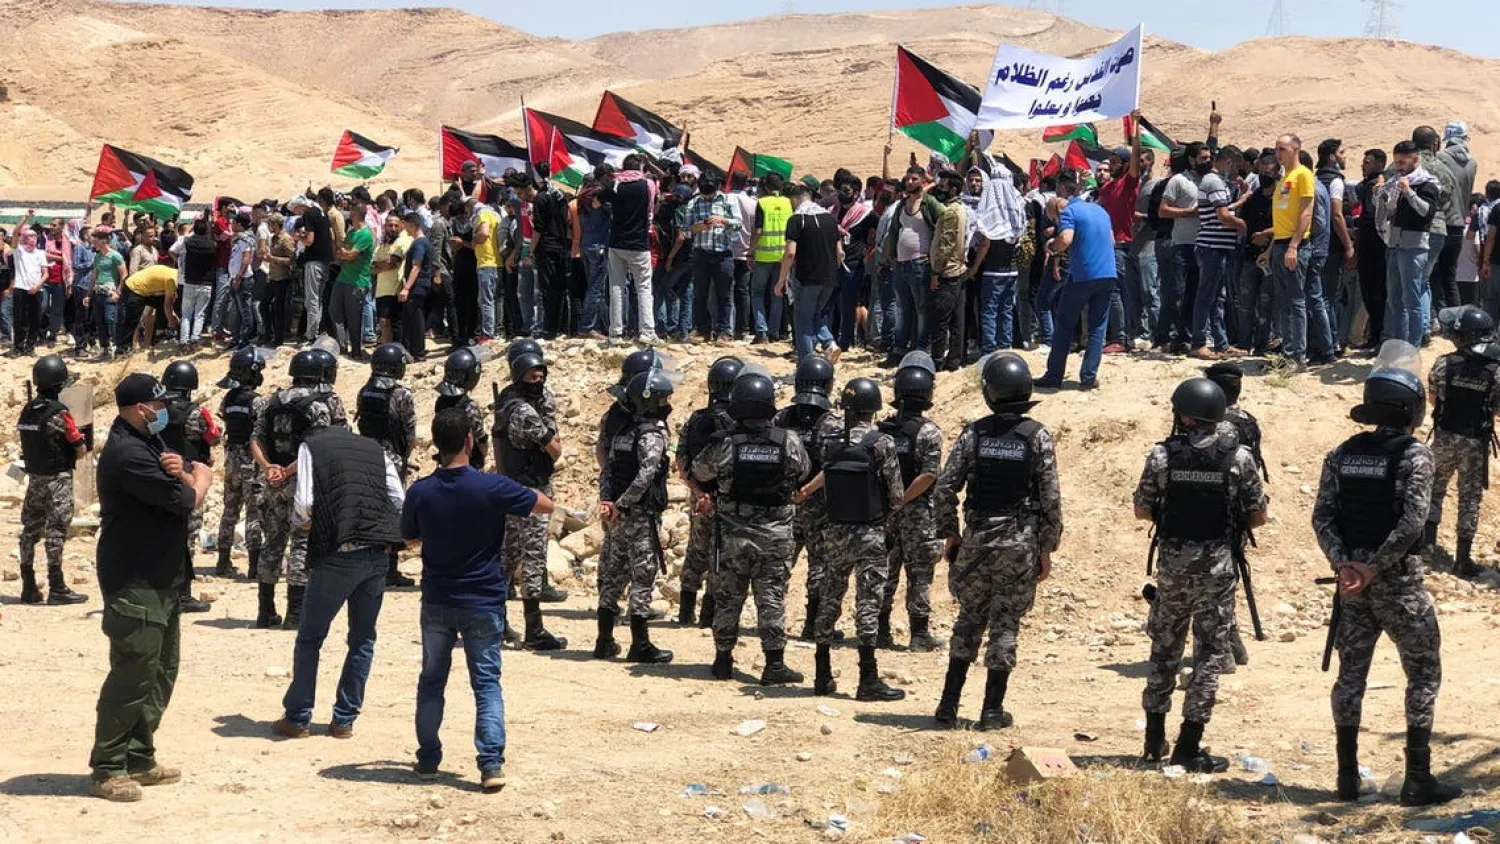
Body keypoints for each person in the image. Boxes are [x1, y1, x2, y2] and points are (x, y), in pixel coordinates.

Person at [1312, 341, 1460, 806]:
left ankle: (1346, 779)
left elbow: (1322, 517)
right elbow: (1413, 522)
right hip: (1398, 585)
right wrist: (1373, 567)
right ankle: (1418, 779)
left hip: (1352, 588)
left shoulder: (1342, 454)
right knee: (1424, 673)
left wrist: (1345, 565)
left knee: (1350, 677)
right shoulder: (1415, 456)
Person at [403, 407, 553, 792]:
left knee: (431, 681)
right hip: (483, 600)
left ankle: (428, 759)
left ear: (436, 444)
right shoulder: (492, 487)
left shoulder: (420, 491)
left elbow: (409, 537)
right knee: (486, 684)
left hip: (437, 599)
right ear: (470, 440)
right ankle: (490, 764)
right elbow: (544, 505)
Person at [89, 373, 213, 802]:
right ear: (140, 409)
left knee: (160, 672)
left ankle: (139, 757)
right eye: (158, 407)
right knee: (132, 674)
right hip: (135, 579)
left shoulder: (149, 443)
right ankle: (108, 767)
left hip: (163, 575)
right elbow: (185, 500)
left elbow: (178, 481)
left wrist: (184, 473)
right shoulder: (127, 453)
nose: (163, 412)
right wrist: (201, 479)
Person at [1134, 377, 1267, 774]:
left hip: (1173, 569)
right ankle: (1188, 747)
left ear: (1186, 417)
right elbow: (1258, 515)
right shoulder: (1239, 458)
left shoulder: (1162, 455)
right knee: (1209, 655)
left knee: (1164, 649)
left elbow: (1142, 509)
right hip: (1217, 570)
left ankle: (1153, 741)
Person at [933, 353, 1062, 729]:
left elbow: (944, 488)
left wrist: (951, 534)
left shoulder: (974, 433)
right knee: (1006, 623)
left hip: (977, 540)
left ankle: (947, 706)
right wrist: (1046, 548)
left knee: (968, 618)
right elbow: (1051, 498)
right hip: (1019, 545)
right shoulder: (1036, 436)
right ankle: (992, 710)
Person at [271, 410, 405, 741]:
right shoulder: (374, 447)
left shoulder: (311, 446)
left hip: (337, 555)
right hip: (377, 554)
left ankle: (298, 717)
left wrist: (310, 525)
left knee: (310, 637)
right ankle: (344, 720)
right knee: (363, 639)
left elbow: (304, 504)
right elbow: (398, 500)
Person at [691, 368, 810, 684]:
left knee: (728, 597)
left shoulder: (726, 443)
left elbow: (700, 470)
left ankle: (722, 661)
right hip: (775, 535)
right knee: (771, 597)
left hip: (732, 534)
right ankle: (774, 665)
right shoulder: (788, 440)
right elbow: (804, 470)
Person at [796, 377, 906, 701]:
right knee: (867, 603)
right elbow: (897, 495)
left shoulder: (830, 444)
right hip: (870, 533)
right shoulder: (881, 443)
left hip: (836, 532)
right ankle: (867, 679)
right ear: (873, 408)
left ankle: (822, 674)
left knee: (830, 598)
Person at [252, 349, 348, 629]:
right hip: (303, 482)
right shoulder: (319, 405)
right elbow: (318, 446)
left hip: (272, 482)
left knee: (272, 542)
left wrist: (269, 467)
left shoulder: (270, 401)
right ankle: (295, 614)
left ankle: (265, 611)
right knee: (301, 544)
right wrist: (290, 470)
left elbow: (255, 439)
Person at [595, 367, 675, 663]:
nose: (667, 404)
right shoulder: (651, 434)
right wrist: (622, 503)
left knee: (612, 577)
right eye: (662, 399)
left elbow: (607, 471)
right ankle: (640, 645)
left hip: (617, 518)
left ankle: (604, 641)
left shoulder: (622, 432)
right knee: (642, 577)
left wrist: (608, 502)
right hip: (639, 517)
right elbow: (646, 475)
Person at [494, 348, 567, 650]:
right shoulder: (525, 412)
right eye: (532, 377)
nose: (538, 382)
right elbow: (555, 450)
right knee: (533, 557)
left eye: (541, 376)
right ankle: (534, 629)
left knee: (507, 556)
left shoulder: (507, 402)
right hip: (531, 492)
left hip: (511, 489)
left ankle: (497, 623)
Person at [1424, 306, 1498, 578]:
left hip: (1445, 436)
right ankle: (1462, 560)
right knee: (1470, 499)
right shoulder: (1495, 370)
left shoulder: (1443, 364)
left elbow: (1433, 399)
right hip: (1475, 442)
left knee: (1434, 489)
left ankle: (1427, 546)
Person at [878, 354, 945, 651]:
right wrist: (904, 499)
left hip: (884, 511)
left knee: (884, 571)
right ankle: (919, 635)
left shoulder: (884, 429)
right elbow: (929, 475)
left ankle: (880, 631)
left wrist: (892, 501)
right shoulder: (929, 432)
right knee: (919, 573)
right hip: (918, 514)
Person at [16, 354, 89, 605]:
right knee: (56, 531)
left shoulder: (28, 410)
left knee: (29, 530)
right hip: (57, 479)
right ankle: (57, 587)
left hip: (35, 479)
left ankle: (28, 585)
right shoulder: (59, 412)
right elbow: (79, 447)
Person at [676, 356, 743, 627]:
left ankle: (685, 612)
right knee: (720, 557)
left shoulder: (696, 418)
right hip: (726, 500)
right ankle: (708, 616)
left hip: (699, 497)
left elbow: (681, 458)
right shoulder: (738, 422)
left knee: (696, 551)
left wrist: (697, 491)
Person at [773, 355, 836, 639]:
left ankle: (772, 621)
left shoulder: (781, 418)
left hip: (784, 503)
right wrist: (807, 491)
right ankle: (812, 625)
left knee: (780, 564)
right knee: (819, 566)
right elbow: (833, 466)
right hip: (819, 505)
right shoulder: (831, 422)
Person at [1038, 176, 1116, 389]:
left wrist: (1051, 247)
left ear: (1062, 190)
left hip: (1083, 275)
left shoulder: (1070, 211)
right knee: (1098, 326)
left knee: (1064, 324)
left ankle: (1054, 376)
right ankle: (1089, 378)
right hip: (1108, 272)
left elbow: (1065, 239)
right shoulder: (1100, 210)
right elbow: (1111, 240)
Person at [356, 342, 418, 588]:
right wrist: (405, 456)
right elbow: (410, 434)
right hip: (392, 459)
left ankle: (368, 566)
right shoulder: (402, 395)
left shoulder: (365, 391)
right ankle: (390, 570)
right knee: (393, 513)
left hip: (366, 456)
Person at [159, 361, 219, 614]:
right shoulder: (197, 413)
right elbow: (213, 436)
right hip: (189, 478)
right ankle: (183, 594)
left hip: (160, 476)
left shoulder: (157, 410)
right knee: (188, 536)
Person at [1380, 141, 1444, 346]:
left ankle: (1413, 346)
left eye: (1402, 162)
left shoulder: (1428, 183)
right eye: (1396, 162)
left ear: (1415, 160)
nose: (1398, 166)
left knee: (1412, 301)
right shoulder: (1396, 182)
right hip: (1394, 244)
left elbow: (1426, 212)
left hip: (1414, 247)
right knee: (1394, 300)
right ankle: (1399, 344)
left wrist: (1409, 192)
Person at [881, 166, 942, 366]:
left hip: (920, 264)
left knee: (922, 310)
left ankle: (922, 351)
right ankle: (898, 350)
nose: (909, 182)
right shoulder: (901, 204)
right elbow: (894, 231)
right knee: (902, 309)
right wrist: (889, 255)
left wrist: (934, 257)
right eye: (907, 179)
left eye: (914, 179)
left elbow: (944, 223)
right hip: (900, 265)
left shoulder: (930, 203)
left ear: (923, 181)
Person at [215, 347, 267, 581]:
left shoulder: (228, 398)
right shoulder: (257, 401)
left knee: (229, 510)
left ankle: (222, 561)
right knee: (253, 513)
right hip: (251, 461)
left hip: (231, 460)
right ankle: (254, 565)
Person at [778, 182, 843, 362]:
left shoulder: (796, 220)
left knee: (803, 321)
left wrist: (781, 280)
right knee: (818, 314)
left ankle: (806, 361)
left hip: (807, 277)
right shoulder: (830, 219)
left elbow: (790, 253)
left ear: (795, 199)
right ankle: (829, 344)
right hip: (829, 276)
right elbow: (839, 252)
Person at [598, 154, 659, 344]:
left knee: (616, 287)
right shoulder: (647, 185)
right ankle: (647, 331)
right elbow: (654, 199)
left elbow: (597, 201)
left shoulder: (615, 184)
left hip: (616, 242)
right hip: (639, 243)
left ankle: (615, 332)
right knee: (643, 288)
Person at [1270, 135, 1317, 365]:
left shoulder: (1303, 174)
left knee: (1296, 300)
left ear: (1295, 149)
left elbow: (1306, 212)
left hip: (1294, 244)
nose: (1278, 154)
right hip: (1280, 242)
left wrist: (1294, 245)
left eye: (1282, 149)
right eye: (1276, 149)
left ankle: (1298, 355)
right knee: (1283, 301)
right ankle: (1287, 351)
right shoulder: (1284, 177)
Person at [928, 170, 970, 370]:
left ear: (953, 189)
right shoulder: (959, 208)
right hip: (957, 270)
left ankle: (937, 361)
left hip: (948, 272)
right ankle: (954, 360)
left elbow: (947, 244)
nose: (940, 188)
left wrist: (936, 272)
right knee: (956, 320)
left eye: (944, 185)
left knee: (941, 320)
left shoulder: (951, 212)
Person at [748, 172, 792, 343]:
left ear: (765, 187)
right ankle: (774, 332)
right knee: (777, 293)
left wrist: (750, 251)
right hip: (783, 255)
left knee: (757, 293)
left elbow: (758, 231)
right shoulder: (788, 203)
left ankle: (761, 331)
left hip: (763, 255)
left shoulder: (762, 203)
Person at [332, 201, 375, 359]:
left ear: (354, 214)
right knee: (334, 310)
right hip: (343, 278)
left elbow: (350, 255)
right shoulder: (351, 233)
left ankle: (356, 350)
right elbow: (340, 254)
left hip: (357, 282)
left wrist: (346, 254)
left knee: (354, 318)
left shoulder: (365, 234)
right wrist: (346, 254)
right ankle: (342, 345)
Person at [434, 346, 489, 469]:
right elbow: (480, 438)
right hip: (468, 462)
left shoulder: (441, 402)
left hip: (445, 459)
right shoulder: (469, 406)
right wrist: (482, 457)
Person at [7, 212, 52, 355]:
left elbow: (45, 273)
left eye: (34, 236)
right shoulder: (18, 251)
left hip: (36, 289)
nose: (33, 239)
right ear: (24, 238)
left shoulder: (40, 253)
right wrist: (25, 218)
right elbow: (15, 232)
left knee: (35, 319)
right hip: (21, 287)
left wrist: (38, 285)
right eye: (30, 236)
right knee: (19, 319)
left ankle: (30, 347)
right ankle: (18, 346)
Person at [294, 194, 333, 344]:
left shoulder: (309, 214)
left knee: (311, 300)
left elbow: (309, 241)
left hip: (313, 262)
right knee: (318, 300)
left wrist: (298, 238)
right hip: (325, 261)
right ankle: (315, 332)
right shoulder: (323, 214)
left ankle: (310, 335)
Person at [117, 264, 178, 352]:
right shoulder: (172, 281)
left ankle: (161, 331)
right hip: (134, 288)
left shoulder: (175, 273)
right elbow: (167, 305)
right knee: (132, 320)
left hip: (138, 284)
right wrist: (172, 323)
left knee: (160, 303)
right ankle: (122, 348)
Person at [398, 212, 434, 359]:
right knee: (414, 316)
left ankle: (418, 351)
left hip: (418, 285)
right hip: (422, 284)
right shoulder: (423, 242)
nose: (405, 229)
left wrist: (406, 288)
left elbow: (416, 266)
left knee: (416, 317)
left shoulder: (419, 243)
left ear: (412, 225)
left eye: (406, 226)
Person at [87, 230, 126, 358]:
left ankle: (118, 346)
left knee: (111, 320)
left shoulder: (115, 255)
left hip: (110, 291)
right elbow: (94, 275)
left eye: (95, 241)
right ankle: (105, 348)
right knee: (100, 321)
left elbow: (124, 274)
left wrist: (118, 291)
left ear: (103, 241)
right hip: (98, 291)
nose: (94, 244)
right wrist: (89, 294)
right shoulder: (98, 256)